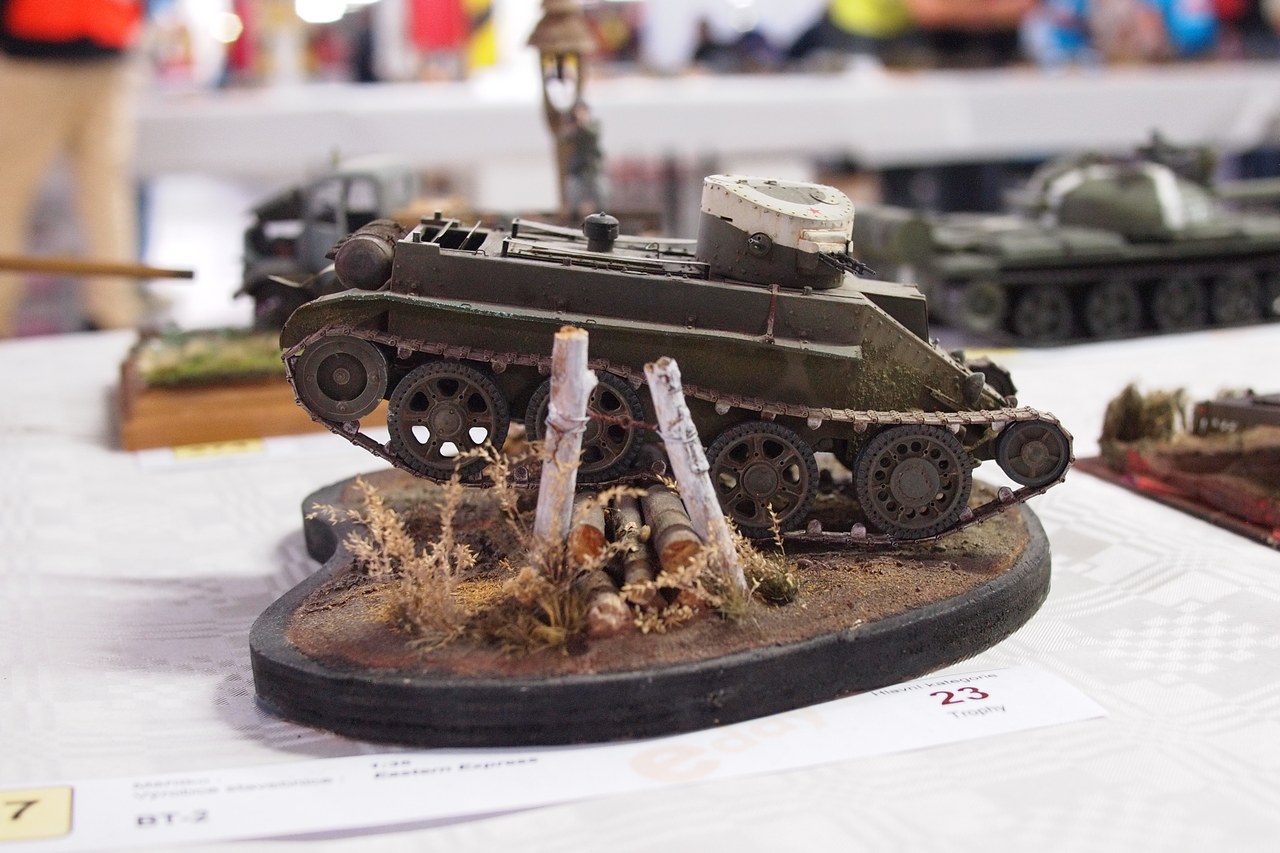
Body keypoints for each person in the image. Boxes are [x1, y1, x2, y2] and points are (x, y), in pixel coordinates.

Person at [0, 0, 149, 336]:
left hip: (37, 39)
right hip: (108, 35)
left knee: (6, 192)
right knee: (105, 192)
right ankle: (114, 313)